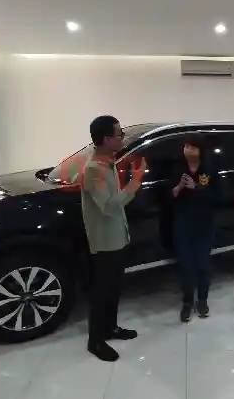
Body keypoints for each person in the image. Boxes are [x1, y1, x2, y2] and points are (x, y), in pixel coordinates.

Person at [81, 115, 147, 362]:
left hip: (117, 238)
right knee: (102, 292)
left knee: (114, 288)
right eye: (119, 134)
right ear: (106, 139)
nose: (122, 138)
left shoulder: (107, 163)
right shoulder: (93, 170)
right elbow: (108, 206)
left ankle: (110, 328)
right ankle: (95, 341)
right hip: (105, 243)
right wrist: (134, 183)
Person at [171, 133, 219, 322]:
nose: (188, 150)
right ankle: (187, 302)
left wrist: (196, 188)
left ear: (200, 150)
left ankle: (202, 300)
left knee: (203, 265)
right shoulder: (178, 168)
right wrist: (179, 187)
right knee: (186, 266)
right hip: (183, 224)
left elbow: (217, 196)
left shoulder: (208, 169)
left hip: (204, 224)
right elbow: (170, 196)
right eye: (186, 147)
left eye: (192, 147)